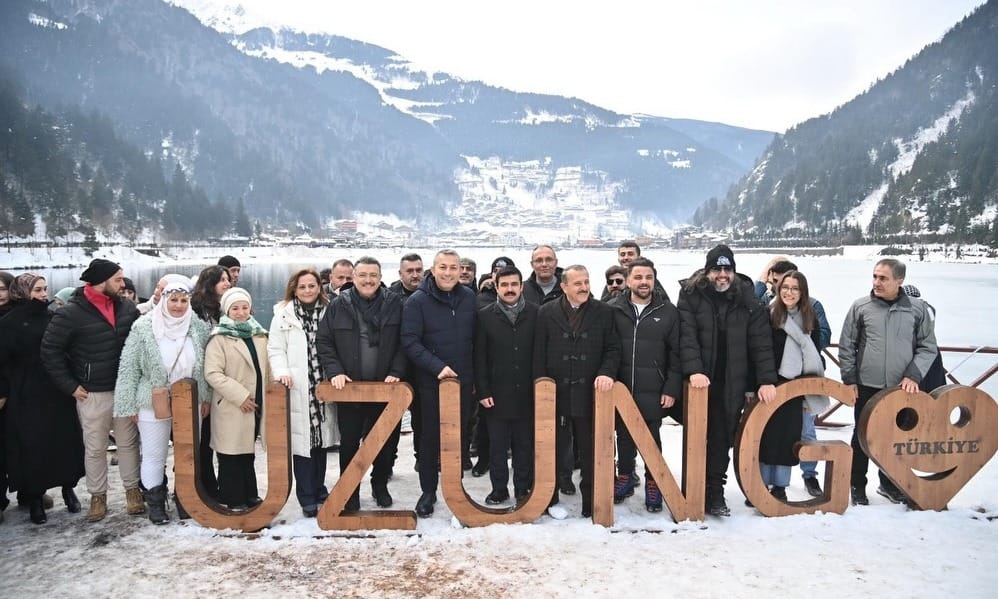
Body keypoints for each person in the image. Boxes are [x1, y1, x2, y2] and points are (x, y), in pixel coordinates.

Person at [41, 258, 144, 522]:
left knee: (128, 444)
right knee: (96, 447)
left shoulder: (127, 308)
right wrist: (71, 386)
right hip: (91, 392)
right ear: (101, 281)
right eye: (118, 279)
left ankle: (133, 491)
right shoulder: (70, 313)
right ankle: (98, 496)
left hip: (124, 389)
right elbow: (50, 352)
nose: (123, 284)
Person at [678, 245, 777, 517]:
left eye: (727, 269)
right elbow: (686, 337)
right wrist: (694, 370)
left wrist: (766, 380)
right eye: (717, 269)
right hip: (699, 382)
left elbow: (761, 343)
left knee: (722, 438)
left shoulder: (747, 298)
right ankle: (693, 489)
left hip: (731, 381)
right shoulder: (690, 294)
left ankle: (715, 491)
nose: (722, 275)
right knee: (697, 437)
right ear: (707, 271)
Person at [838, 259, 938, 506]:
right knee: (861, 438)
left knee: (896, 439)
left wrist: (913, 375)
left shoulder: (917, 309)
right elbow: (847, 345)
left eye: (883, 278)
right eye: (875, 276)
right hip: (867, 385)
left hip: (901, 388)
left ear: (899, 281)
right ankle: (857, 486)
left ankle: (890, 484)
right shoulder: (860, 307)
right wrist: (850, 379)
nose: (876, 282)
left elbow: (928, 347)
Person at [113, 275, 210, 524]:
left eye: (183, 300)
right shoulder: (144, 327)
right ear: (164, 300)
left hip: (190, 398)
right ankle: (156, 503)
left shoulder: (197, 327)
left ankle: (185, 498)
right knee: (155, 454)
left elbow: (205, 366)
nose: (178, 305)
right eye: (174, 299)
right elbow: (128, 367)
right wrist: (128, 404)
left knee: (188, 454)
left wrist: (206, 397)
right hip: (151, 399)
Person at [316, 257, 406, 511]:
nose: (368, 280)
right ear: (353, 278)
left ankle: (380, 486)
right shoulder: (338, 306)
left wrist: (397, 370)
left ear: (380, 278)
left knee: (385, 442)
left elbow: (405, 341)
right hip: (350, 390)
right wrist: (335, 371)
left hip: (386, 387)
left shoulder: (395, 303)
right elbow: (324, 341)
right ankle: (350, 491)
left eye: (373, 276)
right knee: (349, 443)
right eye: (363, 275)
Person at [534, 265, 621, 518]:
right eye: (577, 283)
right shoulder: (546, 312)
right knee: (553, 450)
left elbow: (613, 349)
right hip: (556, 395)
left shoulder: (604, 312)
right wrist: (540, 388)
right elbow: (539, 353)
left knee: (590, 450)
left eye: (586, 282)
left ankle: (591, 501)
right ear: (564, 286)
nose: (584, 287)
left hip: (590, 394)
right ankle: (549, 498)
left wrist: (607, 373)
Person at [0, 274, 85, 524]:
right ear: (24, 292)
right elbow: (2, 362)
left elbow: (68, 348)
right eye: (37, 290)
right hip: (25, 391)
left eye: (45, 289)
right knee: (33, 445)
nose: (43, 294)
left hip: (56, 389)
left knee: (64, 441)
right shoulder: (9, 323)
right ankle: (35, 498)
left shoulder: (53, 317)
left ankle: (68, 489)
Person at [401, 249, 477, 517]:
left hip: (463, 383)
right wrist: (437, 368)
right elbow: (410, 341)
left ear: (460, 270)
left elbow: (476, 340)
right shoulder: (417, 302)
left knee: (459, 437)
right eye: (442, 267)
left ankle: (456, 489)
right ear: (432, 270)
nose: (448, 273)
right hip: (431, 383)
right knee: (430, 439)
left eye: (453, 268)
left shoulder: (469, 298)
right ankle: (428, 491)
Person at [751, 257, 832, 497]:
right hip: (770, 384)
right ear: (777, 288)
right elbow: (760, 349)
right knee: (765, 436)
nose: (789, 292)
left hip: (796, 388)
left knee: (789, 438)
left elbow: (814, 355)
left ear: (802, 292)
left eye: (795, 288)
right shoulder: (768, 314)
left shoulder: (810, 317)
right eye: (785, 288)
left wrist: (809, 393)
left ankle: (780, 487)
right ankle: (761, 484)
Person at [607, 258, 682, 512]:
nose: (643, 282)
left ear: (654, 279)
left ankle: (654, 481)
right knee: (624, 435)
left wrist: (671, 388)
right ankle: (625, 477)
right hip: (622, 387)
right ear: (628, 280)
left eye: (648, 277)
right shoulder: (613, 309)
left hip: (654, 387)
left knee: (652, 436)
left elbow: (676, 354)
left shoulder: (668, 312)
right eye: (638, 277)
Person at [268, 269, 339, 518]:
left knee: (321, 442)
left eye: (312, 286)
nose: (308, 291)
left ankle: (319, 487)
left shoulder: (330, 311)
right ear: (294, 289)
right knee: (303, 443)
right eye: (302, 287)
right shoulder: (283, 316)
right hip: (298, 385)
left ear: (319, 287)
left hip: (323, 383)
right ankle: (306, 496)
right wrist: (281, 372)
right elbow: (275, 349)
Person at [474, 265, 539, 505]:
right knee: (497, 447)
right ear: (497, 287)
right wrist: (483, 390)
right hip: (496, 394)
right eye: (505, 285)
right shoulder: (484, 315)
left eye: (514, 284)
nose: (509, 289)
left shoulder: (536, 313)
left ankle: (523, 488)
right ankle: (499, 489)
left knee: (524, 445)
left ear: (521, 286)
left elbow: (541, 354)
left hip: (527, 393)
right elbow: (479, 357)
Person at [206, 288, 270, 511]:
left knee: (246, 452)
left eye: (244, 307)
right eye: (235, 308)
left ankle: (250, 494)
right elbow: (213, 373)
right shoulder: (220, 338)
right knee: (230, 454)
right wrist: (240, 396)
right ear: (227, 310)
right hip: (232, 405)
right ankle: (233, 498)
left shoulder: (259, 334)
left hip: (256, 404)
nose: (241, 313)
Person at [189, 264, 233, 501]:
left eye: (228, 279)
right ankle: (204, 486)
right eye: (222, 279)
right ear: (210, 283)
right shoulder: (196, 311)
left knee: (223, 437)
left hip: (227, 381)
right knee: (202, 439)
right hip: (204, 381)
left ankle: (224, 486)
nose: (227, 283)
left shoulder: (229, 308)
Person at [389, 253, 425, 465]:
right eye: (409, 271)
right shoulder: (389, 297)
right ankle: (388, 462)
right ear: (400, 273)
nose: (414, 275)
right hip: (395, 368)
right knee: (391, 419)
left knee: (422, 419)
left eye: (418, 270)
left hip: (422, 366)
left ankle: (422, 459)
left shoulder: (431, 293)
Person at [901, 285, 947, 392]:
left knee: (912, 391)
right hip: (932, 353)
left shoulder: (905, 309)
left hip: (914, 355)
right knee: (934, 390)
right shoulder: (929, 308)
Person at [600, 241, 667, 300]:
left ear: (638, 257)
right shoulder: (614, 280)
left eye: (630, 254)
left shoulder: (648, 279)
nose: (626, 258)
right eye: (622, 255)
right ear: (618, 258)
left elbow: (663, 301)